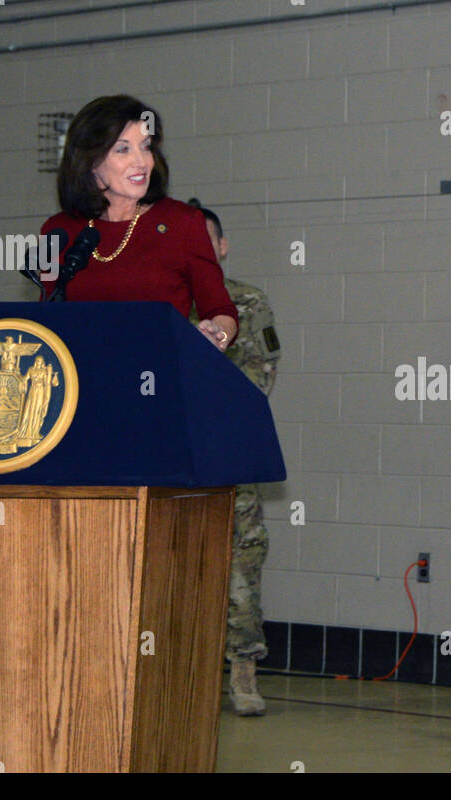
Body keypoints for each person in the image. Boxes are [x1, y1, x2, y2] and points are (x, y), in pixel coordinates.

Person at [40, 95, 237, 348]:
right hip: (80, 379)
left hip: (156, 378)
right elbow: (46, 317)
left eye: (146, 146)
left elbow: (221, 310)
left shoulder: (182, 223)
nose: (141, 161)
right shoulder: (59, 230)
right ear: (90, 162)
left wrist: (216, 335)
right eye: (123, 149)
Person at [188, 198, 281, 717]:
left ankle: (243, 673)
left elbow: (260, 378)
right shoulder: (166, 302)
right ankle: (182, 672)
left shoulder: (246, 302)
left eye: (207, 241)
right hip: (174, 463)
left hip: (229, 459)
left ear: (222, 248)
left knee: (241, 568)